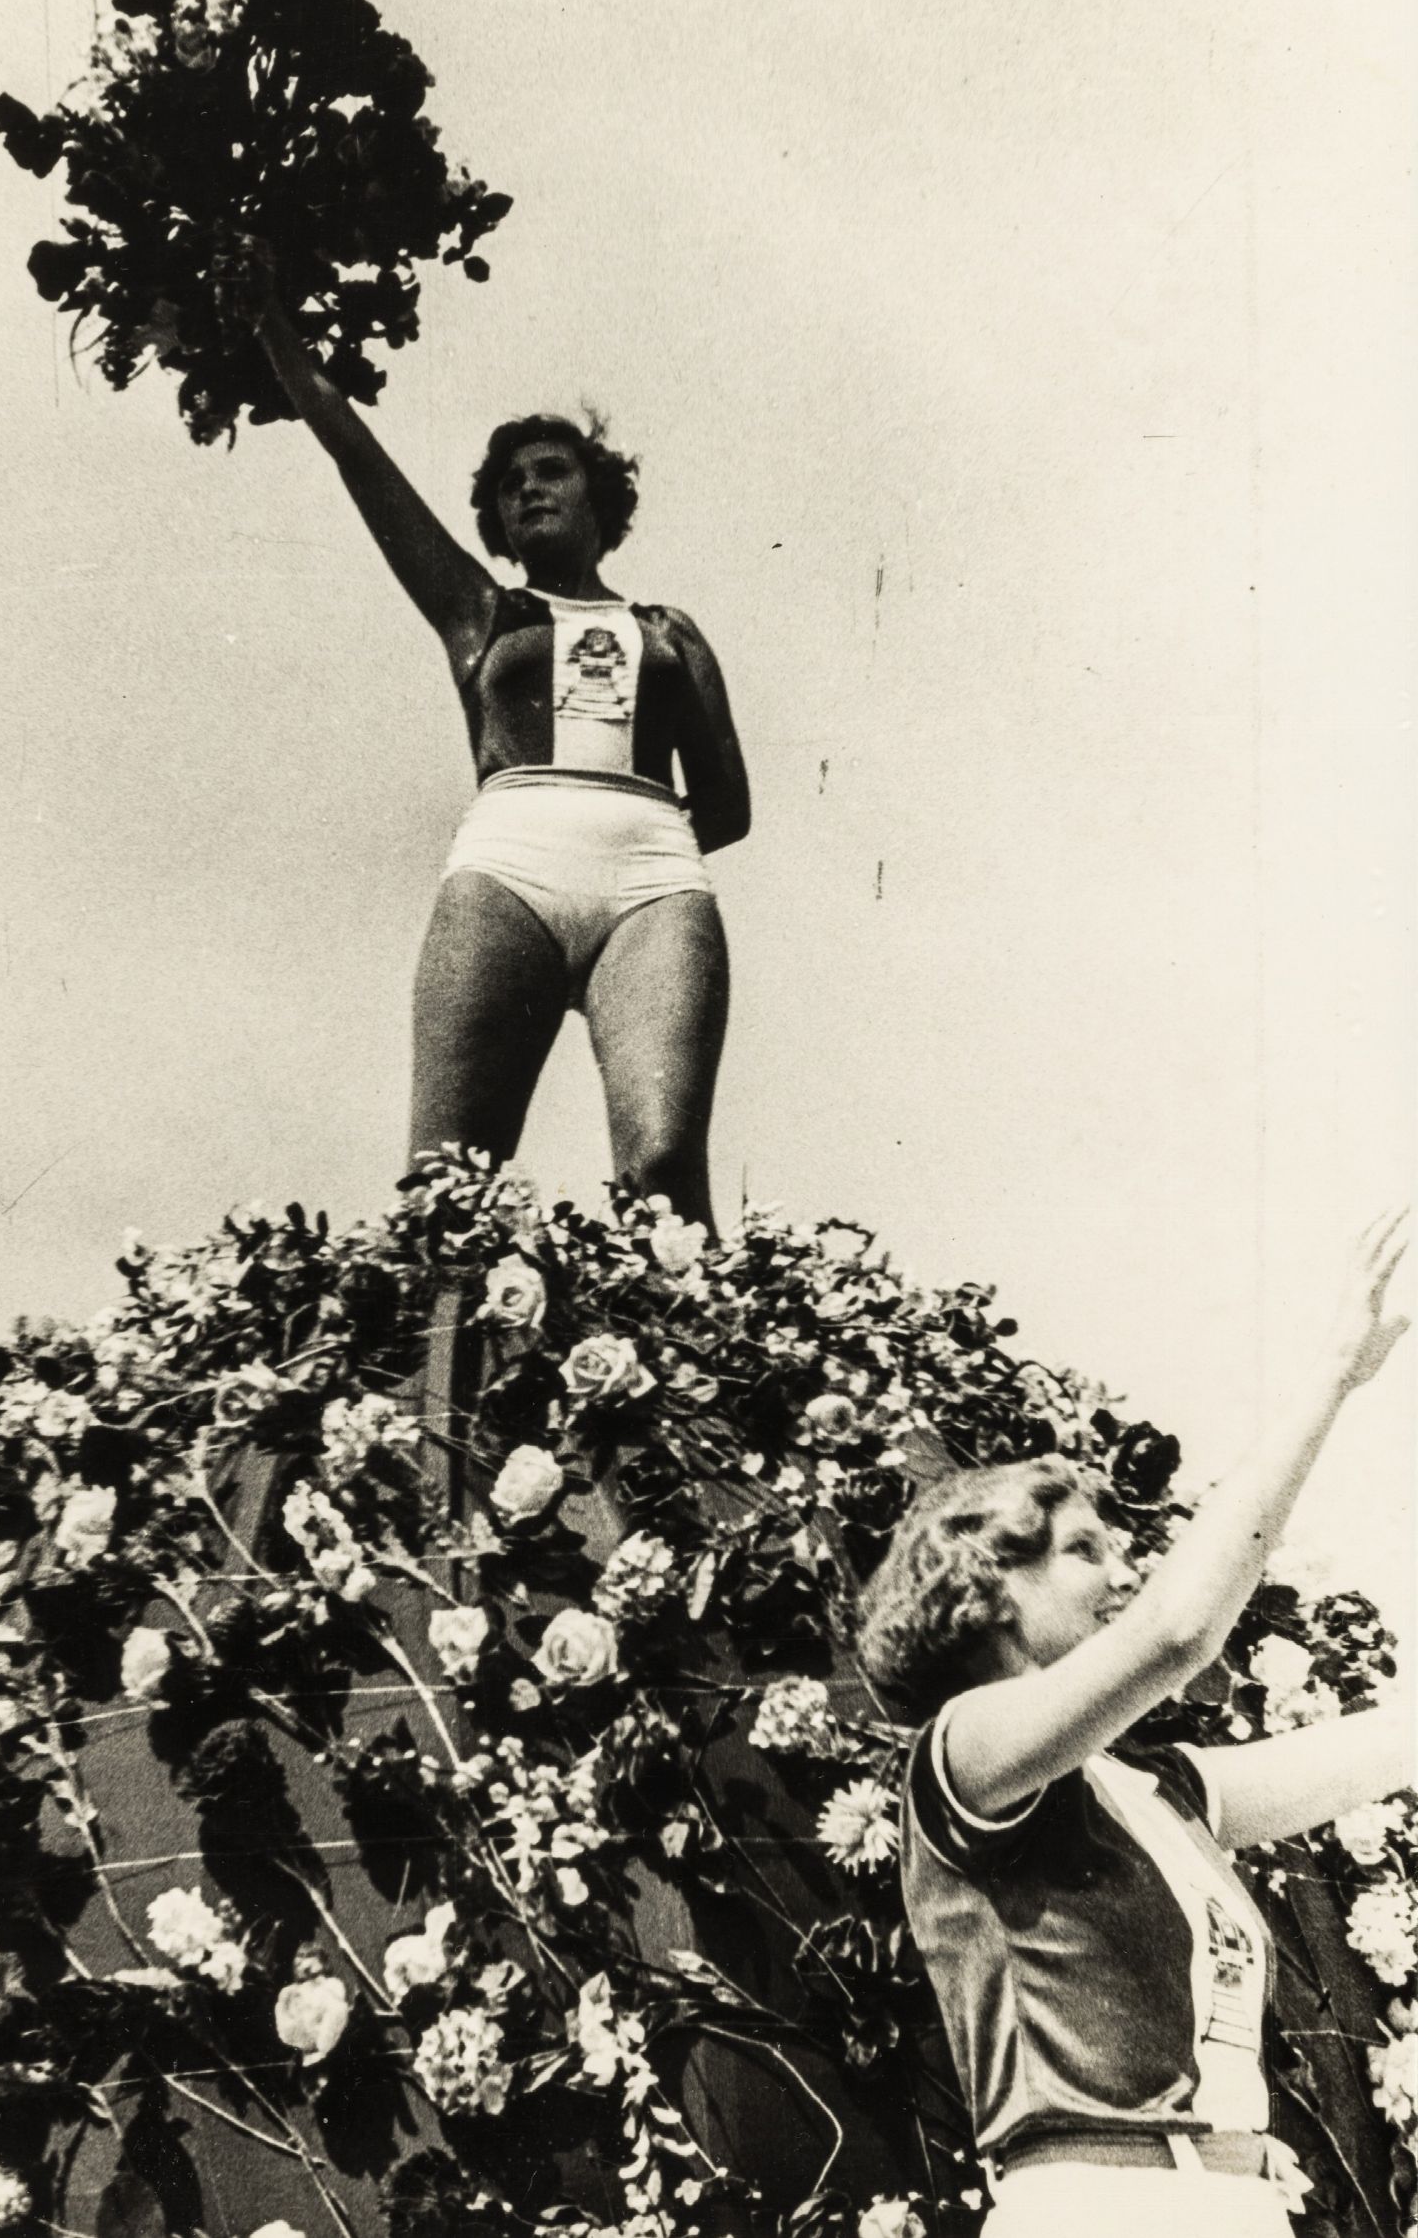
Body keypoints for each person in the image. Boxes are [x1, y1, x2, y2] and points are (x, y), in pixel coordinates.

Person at [859, 1211, 1413, 2237]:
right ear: (985, 1586)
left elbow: (1385, 1746)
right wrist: (1334, 1373)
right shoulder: (964, 1751)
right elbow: (1178, 1628)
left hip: (1233, 2203)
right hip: (1097, 2206)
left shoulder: (1158, 1786)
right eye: (1083, 1550)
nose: (1122, 1574)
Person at [222, 245, 750, 1233]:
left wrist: (627, 839)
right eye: (508, 485)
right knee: (446, 1186)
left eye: (551, 472)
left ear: (600, 498)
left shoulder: (668, 633)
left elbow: (727, 804)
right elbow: (355, 452)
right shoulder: (481, 612)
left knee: (665, 1172)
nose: (527, 490)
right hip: (507, 873)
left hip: (652, 881)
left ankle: (681, 1336)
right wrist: (271, 328)